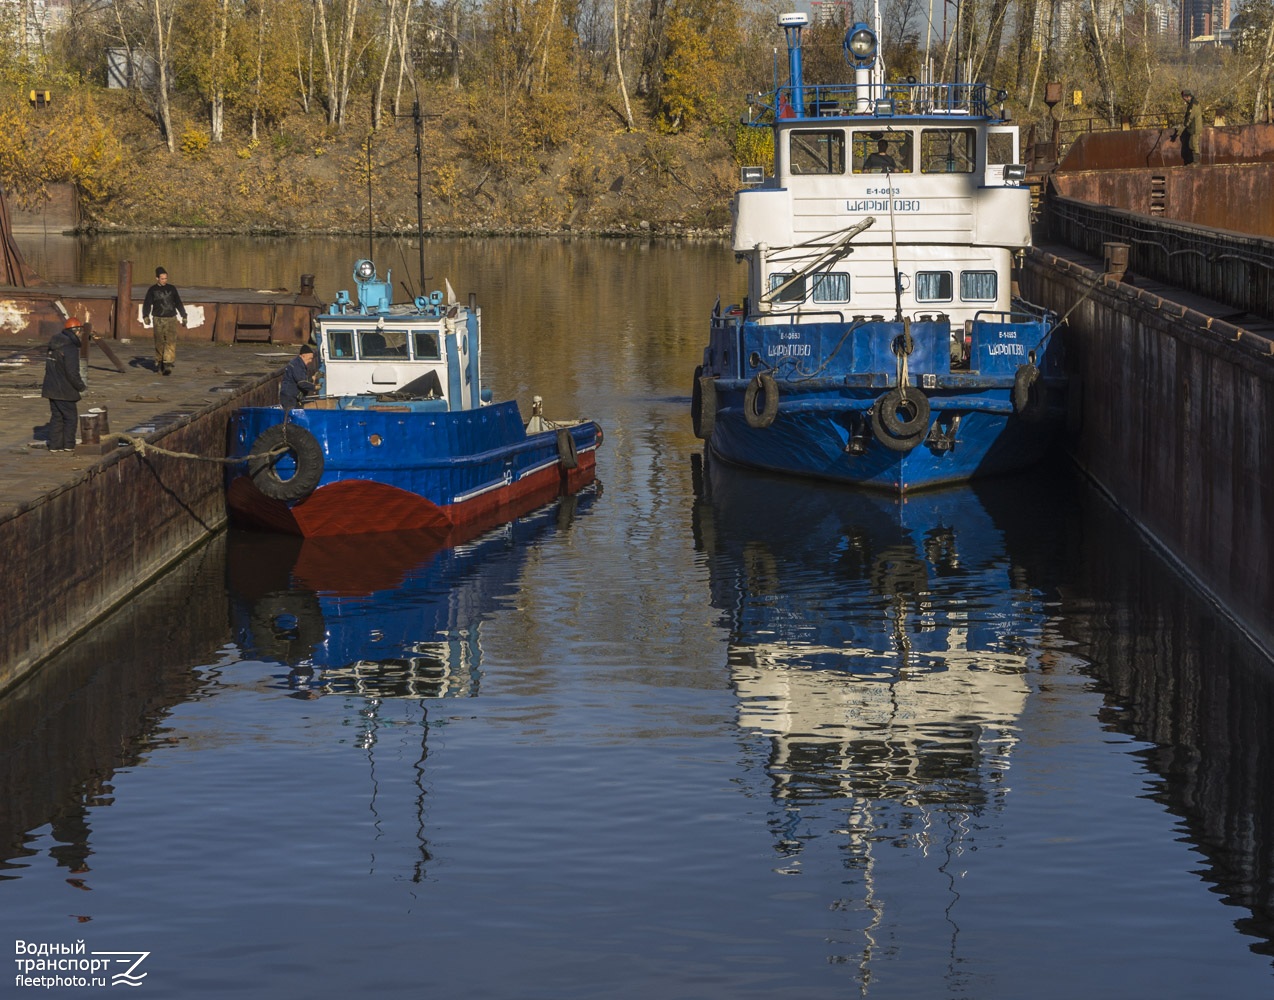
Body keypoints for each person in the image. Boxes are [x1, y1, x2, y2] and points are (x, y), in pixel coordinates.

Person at [42, 317, 88, 453]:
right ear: (76, 331)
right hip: (64, 389)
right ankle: (68, 445)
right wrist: (81, 386)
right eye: (80, 331)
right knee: (70, 417)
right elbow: (72, 372)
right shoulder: (70, 348)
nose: (80, 334)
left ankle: (55, 446)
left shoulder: (54, 344)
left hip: (51, 387)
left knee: (57, 417)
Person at [142, 266, 187, 375]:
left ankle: (168, 364)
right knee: (159, 342)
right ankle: (160, 362)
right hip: (158, 319)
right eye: (162, 278)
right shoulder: (152, 290)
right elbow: (147, 303)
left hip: (171, 318)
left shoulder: (172, 289)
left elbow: (178, 302)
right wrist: (145, 316)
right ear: (157, 278)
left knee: (170, 341)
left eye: (166, 278)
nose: (164, 281)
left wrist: (184, 315)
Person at [279, 344, 318, 410]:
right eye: (310, 358)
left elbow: (301, 379)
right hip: (289, 397)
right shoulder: (297, 365)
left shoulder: (299, 363)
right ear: (303, 356)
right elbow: (301, 383)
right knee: (291, 415)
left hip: (293, 396)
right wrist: (314, 387)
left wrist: (311, 379)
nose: (311, 361)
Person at [1172, 90, 1203, 166]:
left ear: (1187, 97)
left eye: (1184, 98)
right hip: (1193, 127)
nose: (1184, 99)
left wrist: (1179, 131)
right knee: (1191, 144)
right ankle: (1194, 161)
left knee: (1194, 144)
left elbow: (1188, 119)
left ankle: (1196, 162)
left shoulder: (1193, 105)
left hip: (1195, 127)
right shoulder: (1192, 103)